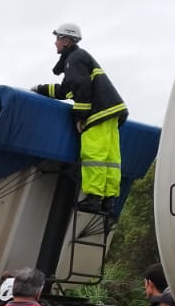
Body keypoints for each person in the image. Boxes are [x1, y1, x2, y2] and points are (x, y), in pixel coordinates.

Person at [33, 23, 127, 214]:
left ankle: (93, 199)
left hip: (98, 113)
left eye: (58, 38)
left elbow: (81, 89)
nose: (55, 43)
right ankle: (108, 201)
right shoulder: (79, 58)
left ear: (67, 40)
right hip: (111, 111)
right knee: (110, 159)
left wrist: (81, 117)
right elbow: (66, 90)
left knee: (94, 156)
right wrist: (41, 89)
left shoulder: (74, 59)